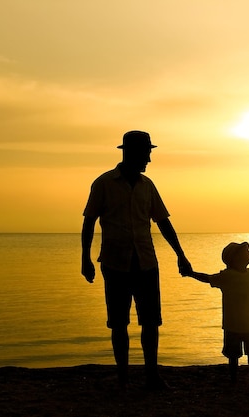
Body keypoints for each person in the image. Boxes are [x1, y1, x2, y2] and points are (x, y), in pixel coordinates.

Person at [81, 130, 192, 390]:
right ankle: (123, 378)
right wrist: (85, 259)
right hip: (115, 262)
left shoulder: (147, 185)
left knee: (151, 321)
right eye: (146, 154)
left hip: (146, 262)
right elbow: (89, 222)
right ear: (130, 153)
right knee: (119, 323)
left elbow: (163, 222)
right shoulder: (104, 183)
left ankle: (151, 375)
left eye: (149, 153)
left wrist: (181, 255)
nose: (149, 160)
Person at [186, 242, 249, 385]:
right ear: (234, 259)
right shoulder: (227, 276)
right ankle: (234, 380)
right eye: (245, 251)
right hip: (232, 326)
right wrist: (191, 273)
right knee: (233, 356)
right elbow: (208, 278)